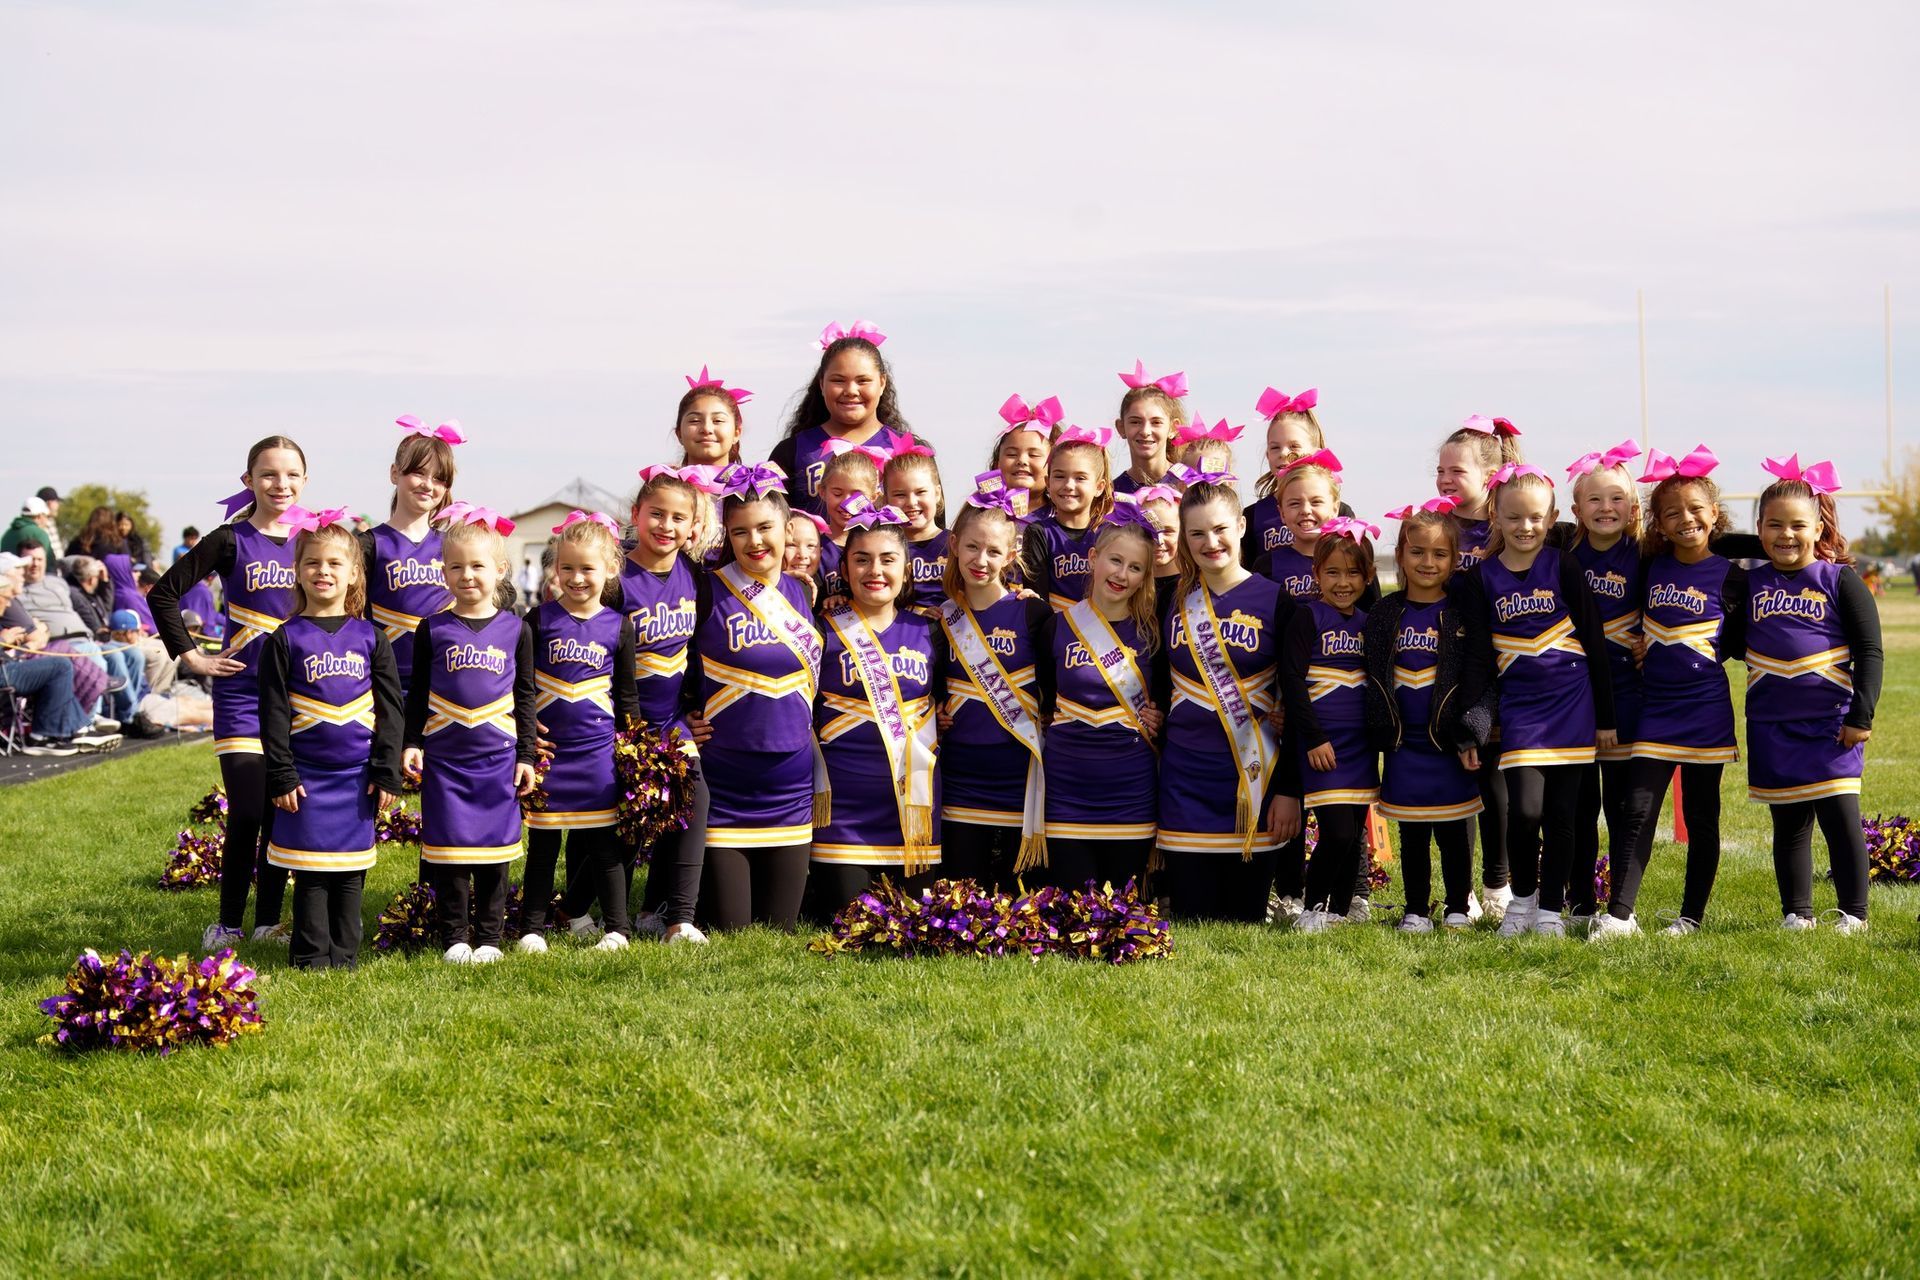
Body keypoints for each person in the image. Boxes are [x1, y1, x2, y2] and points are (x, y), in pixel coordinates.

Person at [150, 437, 308, 950]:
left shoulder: (316, 539)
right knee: (246, 812)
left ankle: (266, 923)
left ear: (305, 481)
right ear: (248, 482)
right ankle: (228, 923)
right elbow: (164, 593)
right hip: (241, 694)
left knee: (281, 809)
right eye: (267, 474)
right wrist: (192, 656)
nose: (279, 484)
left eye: (290, 475)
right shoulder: (229, 539)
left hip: (300, 699)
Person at [1722, 456, 1881, 932]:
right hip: (1772, 722)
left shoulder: (1840, 580)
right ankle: (1797, 912)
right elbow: (1730, 645)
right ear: (1758, 528)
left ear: (1819, 528)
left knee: (1840, 820)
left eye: (1798, 526)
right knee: (1789, 825)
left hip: (1830, 722)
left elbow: (1870, 651)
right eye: (1773, 526)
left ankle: (1854, 913)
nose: (1785, 536)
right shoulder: (1751, 582)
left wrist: (1862, 714)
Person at [1456, 464, 1615, 938]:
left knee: (1563, 816)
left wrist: (1604, 717)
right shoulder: (1481, 579)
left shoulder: (1563, 565)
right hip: (1521, 710)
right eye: (1514, 518)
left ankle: (1550, 911)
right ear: (1496, 518)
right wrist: (1472, 725)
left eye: (1535, 518)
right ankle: (1521, 900)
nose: (1525, 527)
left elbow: (1594, 642)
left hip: (1573, 705)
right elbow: (1478, 660)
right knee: (1523, 812)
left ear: (1551, 519)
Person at [1593, 449, 1742, 938]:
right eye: (1672, 512)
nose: (1686, 519)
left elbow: (1739, 641)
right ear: (1657, 522)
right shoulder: (1650, 564)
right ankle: (1619, 915)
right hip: (1655, 706)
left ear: (1714, 513)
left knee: (1702, 816)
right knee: (1637, 808)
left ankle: (1691, 916)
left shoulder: (1733, 575)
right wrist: (1647, 644)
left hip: (1705, 709)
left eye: (1696, 509)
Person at [260, 513, 404, 970]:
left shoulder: (371, 637)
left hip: (357, 776)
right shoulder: (284, 639)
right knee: (310, 873)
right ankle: (309, 956)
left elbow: (391, 712)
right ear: (298, 571)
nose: (323, 572)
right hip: (306, 778)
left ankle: (344, 956)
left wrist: (386, 771)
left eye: (335, 564)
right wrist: (282, 773)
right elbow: (274, 714)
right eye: (313, 563)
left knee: (350, 872)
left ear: (354, 573)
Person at [683, 463, 820, 930]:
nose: (754, 542)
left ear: (788, 529)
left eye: (765, 528)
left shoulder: (807, 593)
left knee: (780, 928)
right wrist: (683, 716)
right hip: (726, 785)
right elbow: (670, 665)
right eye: (740, 532)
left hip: (791, 785)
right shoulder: (706, 589)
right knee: (732, 927)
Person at [1156, 478, 1300, 921]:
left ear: (1241, 526)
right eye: (1196, 533)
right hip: (1184, 779)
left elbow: (1295, 700)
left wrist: (1290, 792)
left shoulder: (1280, 601)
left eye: (1219, 529)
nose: (1210, 542)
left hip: (1253, 780)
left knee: (1244, 920)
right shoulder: (1170, 599)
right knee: (1193, 917)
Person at [402, 503, 538, 964]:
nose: (467, 575)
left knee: (494, 855)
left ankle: (490, 938)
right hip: (446, 759)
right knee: (450, 854)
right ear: (443, 571)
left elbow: (525, 697)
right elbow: (417, 691)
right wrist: (413, 742)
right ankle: (455, 938)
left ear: (499, 569)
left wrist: (527, 755)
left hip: (497, 760)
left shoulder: (516, 629)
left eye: (477, 566)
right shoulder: (432, 628)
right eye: (456, 566)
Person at [804, 502, 946, 920]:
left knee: (915, 922)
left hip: (912, 803)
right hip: (844, 805)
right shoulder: (821, 627)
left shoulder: (931, 629)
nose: (874, 571)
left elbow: (950, 697)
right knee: (852, 920)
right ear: (844, 570)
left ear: (907, 569)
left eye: (888, 560)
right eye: (861, 560)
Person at [518, 511, 641, 952]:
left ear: (609, 569)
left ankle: (618, 930)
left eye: (587, 568)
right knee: (543, 848)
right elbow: (523, 687)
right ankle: (531, 929)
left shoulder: (618, 626)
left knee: (605, 849)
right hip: (552, 757)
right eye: (566, 567)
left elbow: (626, 697)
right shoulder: (536, 621)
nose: (576, 578)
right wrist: (527, 736)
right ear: (554, 569)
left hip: (598, 756)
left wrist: (633, 752)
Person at [1366, 500, 1490, 931]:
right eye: (1417, 551)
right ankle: (1416, 908)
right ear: (1399, 555)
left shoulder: (1462, 613)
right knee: (1413, 832)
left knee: (1456, 831)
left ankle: (1458, 906)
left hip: (1448, 743)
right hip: (1404, 744)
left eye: (1440, 554)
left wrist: (1472, 731)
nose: (1427, 561)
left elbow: (1481, 677)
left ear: (1455, 560)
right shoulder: (1383, 613)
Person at [1038, 517, 1167, 890]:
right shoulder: (1055, 626)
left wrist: (1158, 717)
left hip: (1130, 783)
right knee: (1075, 909)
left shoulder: (1151, 633)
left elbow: (1164, 699)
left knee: (1123, 910)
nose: (1122, 574)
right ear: (1093, 558)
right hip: (1068, 783)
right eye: (1115, 560)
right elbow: (1045, 695)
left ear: (1145, 577)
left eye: (1135, 567)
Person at [935, 489, 1049, 891]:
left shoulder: (1033, 612)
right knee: (963, 903)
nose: (980, 561)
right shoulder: (941, 619)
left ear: (1011, 555)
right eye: (971, 547)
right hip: (961, 778)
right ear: (953, 544)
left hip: (1020, 777)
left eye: (992, 551)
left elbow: (1052, 693)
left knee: (1021, 907)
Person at [1437, 414, 1526, 922]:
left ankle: (1498, 880)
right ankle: (1462, 890)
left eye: (1458, 471)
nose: (1446, 479)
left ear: (1490, 477)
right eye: (1441, 470)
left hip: (1498, 664)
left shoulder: (1503, 526)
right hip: (1448, 666)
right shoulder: (1438, 525)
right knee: (1460, 772)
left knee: (1494, 776)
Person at [620, 466, 712, 945]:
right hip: (621, 723)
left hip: (673, 721)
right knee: (622, 822)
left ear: (693, 526)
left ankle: (679, 918)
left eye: (679, 518)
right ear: (635, 514)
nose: (666, 526)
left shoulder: (695, 575)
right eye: (656, 514)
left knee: (694, 799)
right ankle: (590, 909)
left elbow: (699, 651)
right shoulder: (616, 577)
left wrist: (695, 707)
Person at [1281, 520, 1381, 932]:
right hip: (1324, 745)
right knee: (1337, 833)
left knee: (1354, 830)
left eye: (1353, 573)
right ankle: (1311, 908)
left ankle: (1338, 910)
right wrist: (1314, 737)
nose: (1343, 582)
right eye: (1333, 572)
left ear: (1369, 576)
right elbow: (1291, 681)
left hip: (1360, 745)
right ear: (1316, 574)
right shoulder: (1308, 617)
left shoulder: (1369, 622)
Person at [1563, 441, 1645, 925]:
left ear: (1632, 507)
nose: (1606, 508)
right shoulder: (1560, 550)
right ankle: (1577, 902)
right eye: (1594, 500)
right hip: (1572, 696)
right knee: (1577, 807)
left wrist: (1650, 639)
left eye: (1616, 498)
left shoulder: (1644, 554)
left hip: (1626, 695)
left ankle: (1619, 904)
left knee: (1619, 805)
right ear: (1576, 510)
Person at [361, 418, 459, 705]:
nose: (428, 485)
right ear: (395, 473)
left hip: (445, 688)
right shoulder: (368, 545)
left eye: (439, 478)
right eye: (418, 473)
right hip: (383, 690)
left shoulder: (455, 547)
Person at [768, 322, 910, 515]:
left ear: (882, 383)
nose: (851, 391)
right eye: (838, 380)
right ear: (821, 384)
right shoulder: (789, 453)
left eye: (863, 381)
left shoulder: (908, 452)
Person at [1, 551, 119, 755]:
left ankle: (76, 730)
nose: (9, 603)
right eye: (5, 597)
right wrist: (4, 641)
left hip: (9, 666)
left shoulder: (12, 602)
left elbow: (38, 632)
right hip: (5, 671)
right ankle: (48, 734)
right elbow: (34, 633)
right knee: (60, 665)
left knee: (61, 663)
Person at [1023, 426, 1116, 612]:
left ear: (1099, 486)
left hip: (1102, 632)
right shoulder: (1039, 533)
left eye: (1080, 478)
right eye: (1060, 476)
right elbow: (1037, 598)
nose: (1068, 485)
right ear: (1048, 483)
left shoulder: (1111, 534)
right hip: (1055, 632)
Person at [671, 366, 748, 565]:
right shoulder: (665, 487)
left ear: (737, 432)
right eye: (695, 420)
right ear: (679, 433)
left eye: (718, 420)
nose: (706, 429)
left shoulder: (753, 487)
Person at [881, 440, 948, 615]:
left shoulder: (957, 543)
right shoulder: (882, 549)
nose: (911, 502)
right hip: (905, 636)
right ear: (886, 499)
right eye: (900, 495)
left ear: (937, 493)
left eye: (920, 492)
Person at [1112, 361, 1186, 495]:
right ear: (1121, 427)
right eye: (1135, 422)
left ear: (1173, 428)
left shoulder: (1189, 485)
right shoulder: (1112, 495)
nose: (1145, 431)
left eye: (1156, 422)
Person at [989, 392, 1058, 518]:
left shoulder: (1062, 519)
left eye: (1034, 455)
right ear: (996, 464)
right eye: (1011, 454)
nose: (1022, 461)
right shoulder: (980, 514)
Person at [3, 495, 55, 560]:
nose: (46, 521)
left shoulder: (7, 534)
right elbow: (48, 563)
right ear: (40, 516)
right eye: (46, 517)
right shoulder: (40, 534)